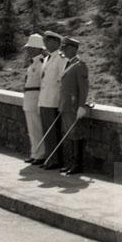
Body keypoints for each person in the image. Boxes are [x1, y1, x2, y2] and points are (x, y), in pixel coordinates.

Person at [57, 37, 89, 175]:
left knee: (76, 134)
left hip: (73, 106)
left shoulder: (80, 65)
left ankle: (77, 164)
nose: (63, 51)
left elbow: (83, 88)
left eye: (66, 48)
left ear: (73, 49)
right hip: (66, 105)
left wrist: (81, 106)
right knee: (69, 135)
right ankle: (71, 162)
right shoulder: (69, 64)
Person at [38, 30, 67, 170]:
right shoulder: (47, 58)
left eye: (47, 41)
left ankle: (55, 160)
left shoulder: (61, 58)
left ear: (56, 42)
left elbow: (63, 80)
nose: (45, 44)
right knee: (47, 132)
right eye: (45, 41)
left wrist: (62, 101)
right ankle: (49, 158)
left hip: (54, 100)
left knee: (53, 132)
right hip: (44, 99)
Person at [22, 33, 46, 164]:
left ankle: (40, 154)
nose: (29, 50)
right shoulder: (32, 63)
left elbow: (43, 84)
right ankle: (34, 153)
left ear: (38, 48)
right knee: (31, 129)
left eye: (31, 47)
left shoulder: (41, 63)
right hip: (29, 99)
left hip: (35, 99)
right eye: (28, 48)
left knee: (37, 128)